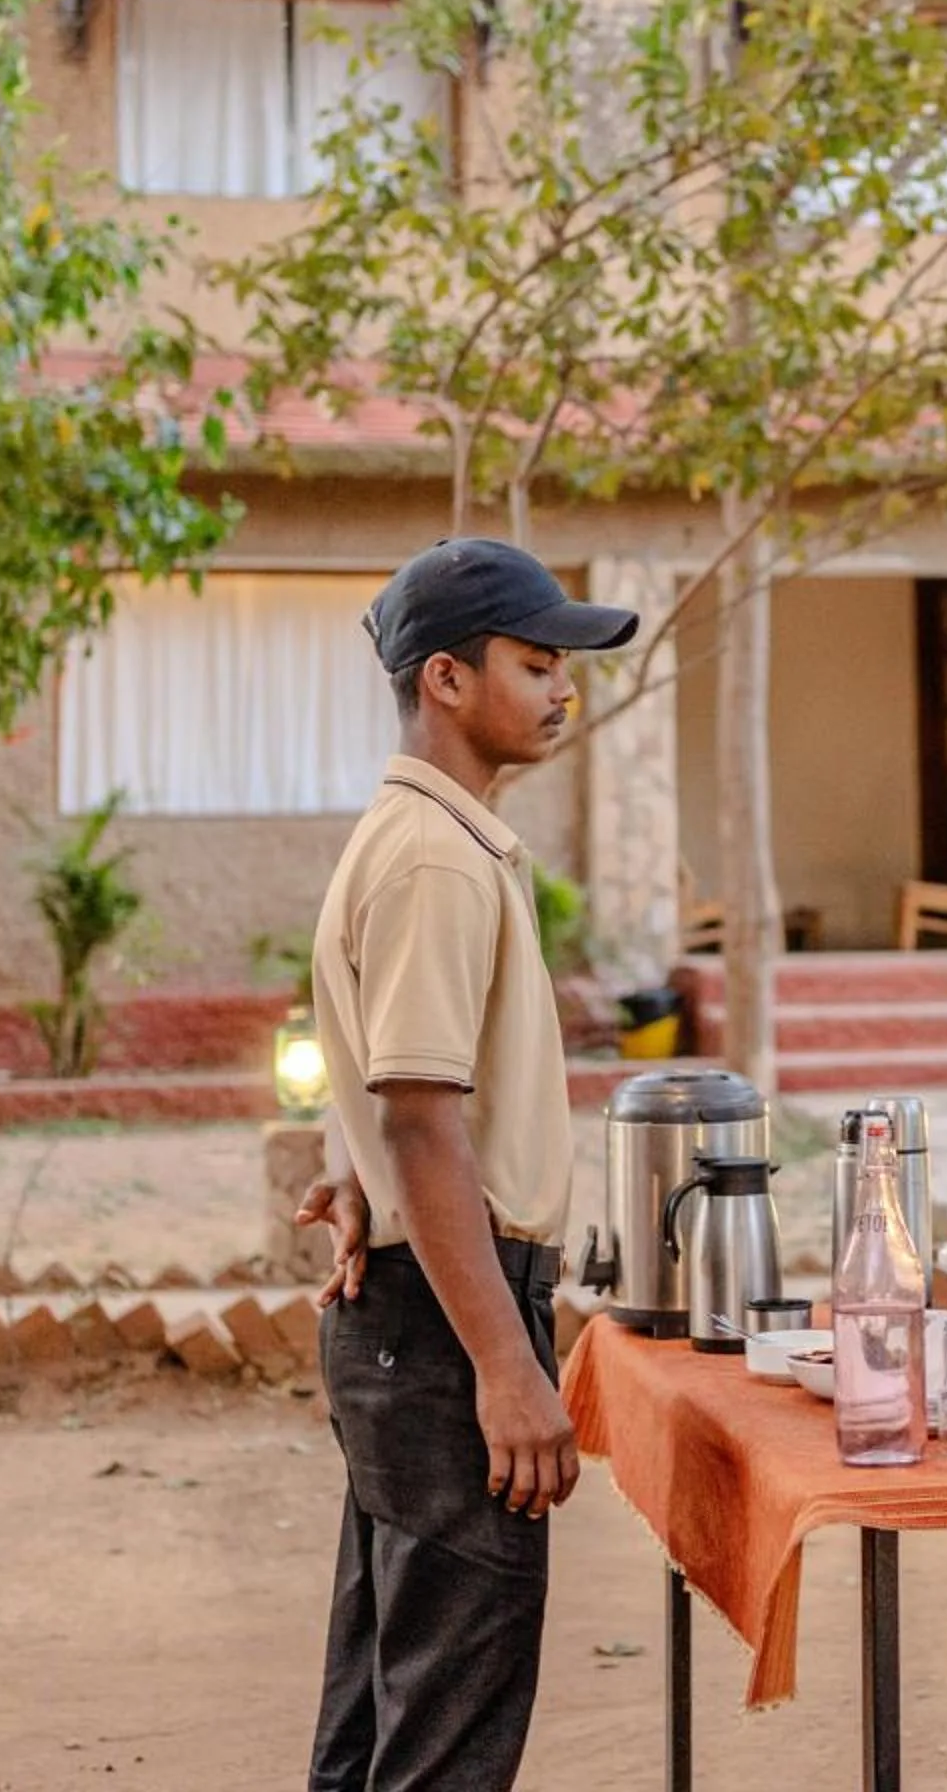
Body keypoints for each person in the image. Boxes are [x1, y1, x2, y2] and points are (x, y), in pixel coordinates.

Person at [293, 537, 639, 1792]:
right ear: (446, 677)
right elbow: (422, 1121)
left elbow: (384, 1088)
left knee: (383, 1710)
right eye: (537, 663)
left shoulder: (419, 834)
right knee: (447, 1731)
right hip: (452, 1324)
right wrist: (505, 1364)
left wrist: (357, 1182)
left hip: (413, 1301)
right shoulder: (436, 854)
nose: (563, 691)